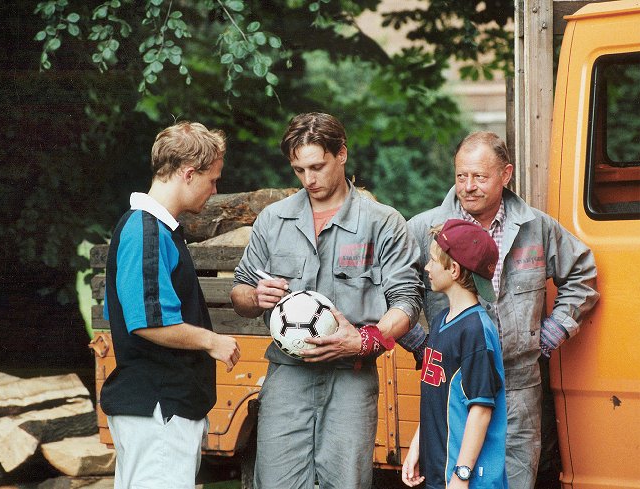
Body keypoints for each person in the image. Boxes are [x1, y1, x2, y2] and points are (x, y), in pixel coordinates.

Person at [231, 112, 423, 489]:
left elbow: (407, 301)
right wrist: (254, 297)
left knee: (346, 482)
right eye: (299, 170)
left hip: (351, 377)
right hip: (287, 377)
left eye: (317, 166)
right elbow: (239, 290)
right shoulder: (274, 219)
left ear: (342, 155)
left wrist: (367, 340)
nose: (308, 180)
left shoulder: (382, 222)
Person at [403, 131, 599, 489]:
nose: (468, 186)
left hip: (519, 385)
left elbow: (582, 275)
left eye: (480, 176)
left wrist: (547, 336)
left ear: (505, 174)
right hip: (455, 389)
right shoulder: (424, 229)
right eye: (461, 176)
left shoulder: (535, 226)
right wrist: (423, 345)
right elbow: (396, 292)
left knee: (514, 480)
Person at [100, 121, 241, 489]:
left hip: (161, 407)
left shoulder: (158, 230)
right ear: (189, 173)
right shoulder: (144, 230)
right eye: (212, 179)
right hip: (157, 408)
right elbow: (147, 321)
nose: (214, 190)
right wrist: (213, 341)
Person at [402, 219, 507, 488]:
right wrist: (417, 447)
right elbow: (435, 397)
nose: (427, 267)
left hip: (466, 479)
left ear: (455, 270)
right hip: (438, 471)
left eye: (433, 260)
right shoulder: (440, 321)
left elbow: (481, 409)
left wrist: (462, 475)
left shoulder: (475, 330)